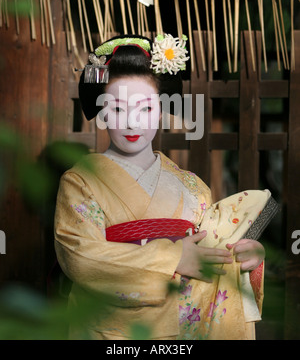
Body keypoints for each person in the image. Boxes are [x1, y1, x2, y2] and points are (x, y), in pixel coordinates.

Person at [54, 34, 275, 340]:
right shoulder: (80, 181)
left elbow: (211, 253)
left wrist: (244, 257)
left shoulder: (193, 186)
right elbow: (80, 258)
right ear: (102, 113)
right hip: (112, 331)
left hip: (187, 329)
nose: (132, 123)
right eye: (118, 109)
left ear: (161, 109)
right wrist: (173, 259)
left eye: (145, 109)